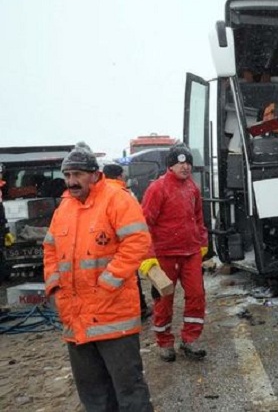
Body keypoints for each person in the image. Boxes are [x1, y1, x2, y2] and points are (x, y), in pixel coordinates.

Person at [43, 142, 153, 411]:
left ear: (94, 174)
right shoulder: (64, 209)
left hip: (112, 315)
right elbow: (50, 248)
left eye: (77, 174)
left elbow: (137, 241)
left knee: (129, 392)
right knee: (93, 395)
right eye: (67, 175)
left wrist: (109, 282)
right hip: (75, 318)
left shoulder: (116, 199)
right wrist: (55, 288)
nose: (71, 181)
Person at [141, 143, 209, 362]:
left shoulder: (192, 188)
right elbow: (145, 224)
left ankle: (190, 340)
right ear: (170, 166)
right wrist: (148, 256)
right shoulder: (157, 188)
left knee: (197, 295)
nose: (185, 167)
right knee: (164, 300)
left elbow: (199, 218)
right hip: (164, 255)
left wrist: (202, 242)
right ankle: (164, 342)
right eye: (180, 163)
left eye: (188, 162)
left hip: (190, 253)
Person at [103, 163, 151, 321]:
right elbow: (137, 227)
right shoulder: (124, 195)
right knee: (130, 279)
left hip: (104, 249)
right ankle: (139, 309)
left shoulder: (96, 194)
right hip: (123, 248)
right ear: (119, 176)